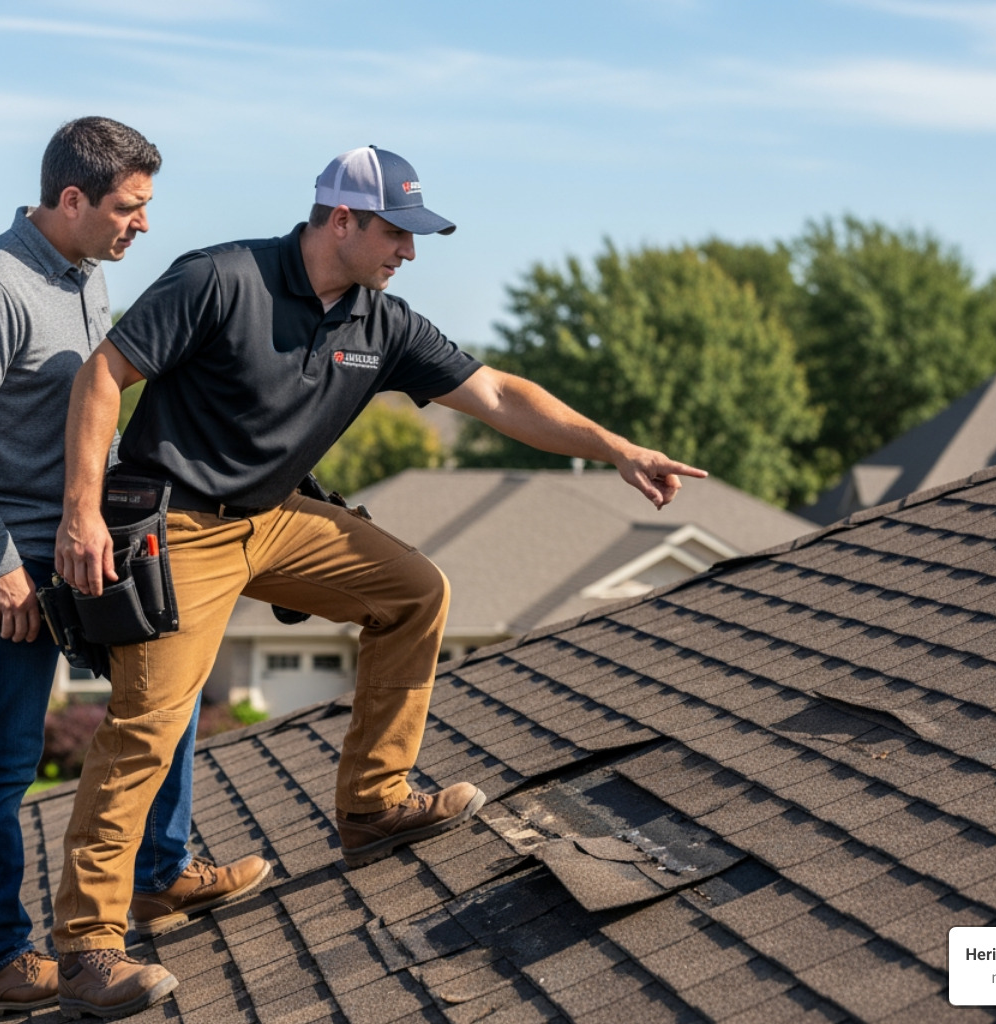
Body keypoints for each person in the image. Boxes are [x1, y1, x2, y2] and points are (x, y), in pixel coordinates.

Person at [50, 144, 706, 1014]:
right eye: (398, 233)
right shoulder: (220, 278)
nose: (409, 252)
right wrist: (83, 513)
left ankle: (372, 805)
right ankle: (88, 947)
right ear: (342, 219)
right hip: (181, 524)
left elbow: (502, 395)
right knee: (149, 726)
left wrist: (618, 448)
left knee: (415, 591)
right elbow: (106, 373)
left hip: (278, 516)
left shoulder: (382, 322)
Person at [0, 116, 269, 1021]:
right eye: (129, 206)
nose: (142, 224)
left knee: (169, 688)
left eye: (145, 207)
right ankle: (0, 959)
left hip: (83, 544)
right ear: (71, 199)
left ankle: (162, 873)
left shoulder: (87, 275)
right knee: (0, 767)